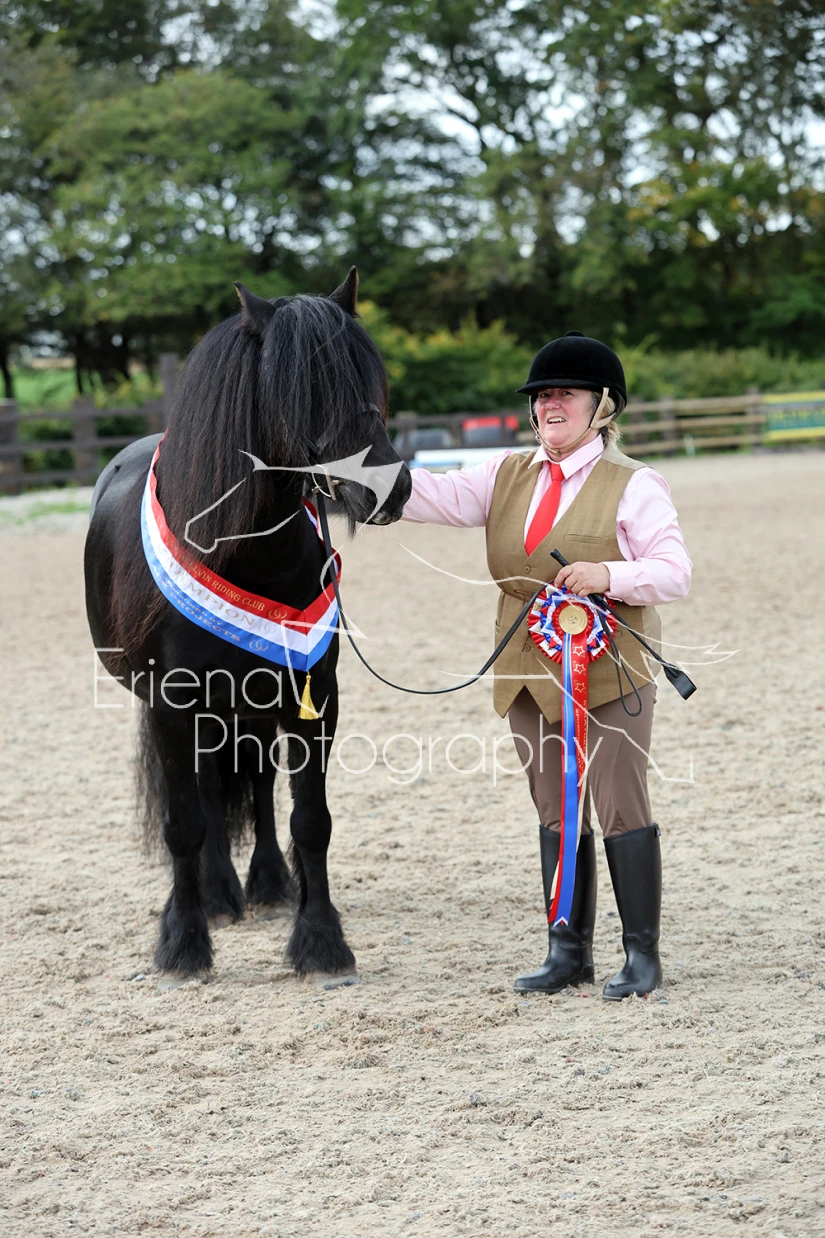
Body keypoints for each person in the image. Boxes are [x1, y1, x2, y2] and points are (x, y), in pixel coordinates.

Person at [401, 331, 692, 998]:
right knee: (555, 808)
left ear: (602, 406)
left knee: (620, 804)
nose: (548, 405)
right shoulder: (505, 475)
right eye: (540, 396)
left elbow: (675, 571)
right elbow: (428, 494)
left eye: (565, 394)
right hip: (527, 668)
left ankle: (640, 954)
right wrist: (351, 468)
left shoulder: (634, 484)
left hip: (611, 669)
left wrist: (608, 574)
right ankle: (567, 951)